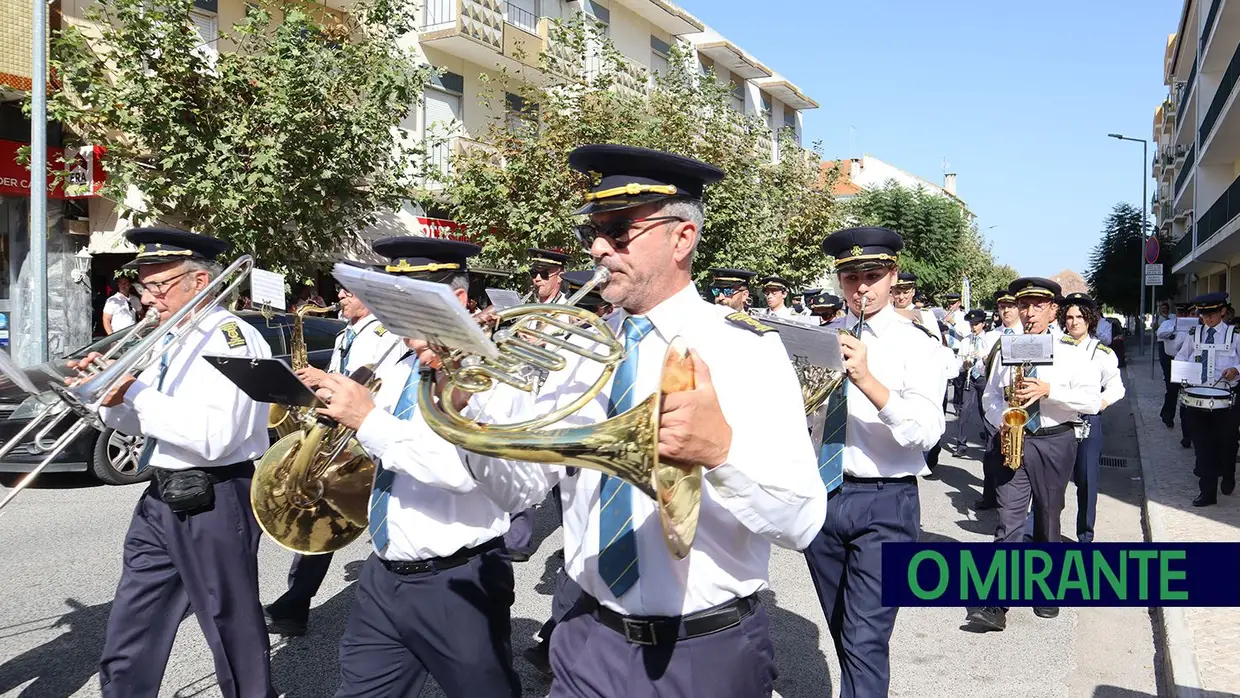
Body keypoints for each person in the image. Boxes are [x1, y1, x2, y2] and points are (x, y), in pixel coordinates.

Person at [453, 144, 826, 696]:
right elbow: (518, 491)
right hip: (584, 638)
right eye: (593, 232)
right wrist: (471, 416)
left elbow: (801, 521)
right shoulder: (580, 348)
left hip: (701, 653)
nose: (599, 248)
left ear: (682, 238)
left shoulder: (745, 349)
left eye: (620, 230)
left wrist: (721, 455)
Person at [307, 236, 523, 697]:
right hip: (385, 573)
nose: (394, 317)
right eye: (389, 301)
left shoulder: (492, 373)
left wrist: (366, 419)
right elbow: (379, 448)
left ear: (457, 301)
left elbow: (460, 471)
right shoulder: (402, 362)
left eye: (409, 303)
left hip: (458, 581)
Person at [77, 227, 276, 697]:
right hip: (161, 492)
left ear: (200, 282)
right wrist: (104, 396)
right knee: (134, 616)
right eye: (144, 284)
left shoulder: (231, 339)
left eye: (156, 285)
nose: (148, 297)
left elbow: (214, 438)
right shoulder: (170, 337)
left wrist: (138, 393)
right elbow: (144, 420)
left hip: (216, 495)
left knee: (229, 624)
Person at [806, 226, 945, 697]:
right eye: (849, 277)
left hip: (887, 502)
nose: (861, 286)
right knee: (843, 629)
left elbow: (926, 432)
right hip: (823, 495)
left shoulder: (918, 344)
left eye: (873, 274)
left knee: (866, 638)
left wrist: (867, 378)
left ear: (893, 276)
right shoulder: (816, 339)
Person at [264, 272, 405, 637]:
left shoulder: (383, 336)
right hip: (334, 431)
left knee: (361, 514)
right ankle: (296, 602)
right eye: (339, 288)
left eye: (348, 290)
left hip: (363, 438)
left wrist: (328, 384)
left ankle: (304, 601)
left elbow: (373, 386)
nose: (340, 295)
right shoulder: (346, 332)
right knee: (322, 513)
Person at [967, 278, 1100, 631]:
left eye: (1038, 305)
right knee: (1009, 520)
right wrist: (1004, 421)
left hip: (1056, 440)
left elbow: (1090, 401)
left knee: (1047, 518)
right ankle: (996, 601)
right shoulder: (1008, 346)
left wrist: (1049, 391)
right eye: (1024, 305)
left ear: (1054, 309)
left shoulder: (1073, 350)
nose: (1029, 312)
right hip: (1016, 437)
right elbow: (991, 397)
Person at [1017, 293, 1123, 544]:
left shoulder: (1101, 352)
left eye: (1080, 317)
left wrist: (1102, 403)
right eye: (1070, 317)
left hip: (1086, 422)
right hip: (1058, 425)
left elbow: (1116, 387)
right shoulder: (1053, 346)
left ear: (1090, 321)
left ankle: (1084, 535)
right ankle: (1035, 530)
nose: (1074, 322)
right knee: (1048, 485)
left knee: (1086, 481)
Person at [504, 247, 573, 563]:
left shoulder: (572, 312)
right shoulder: (527, 309)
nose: (536, 279)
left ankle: (574, 538)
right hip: (525, 396)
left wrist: (543, 342)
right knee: (523, 464)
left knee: (563, 481)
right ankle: (517, 540)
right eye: (533, 273)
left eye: (543, 274)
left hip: (556, 400)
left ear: (558, 275)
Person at [1174, 292, 1240, 507]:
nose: (1207, 318)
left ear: (1222, 311)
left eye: (1212, 313)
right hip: (1197, 398)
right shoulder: (1195, 334)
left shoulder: (1235, 335)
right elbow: (1182, 357)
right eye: (1203, 314)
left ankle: (1228, 473)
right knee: (1203, 445)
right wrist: (1184, 371)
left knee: (1227, 443)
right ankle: (1207, 492)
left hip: (1227, 399)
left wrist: (1235, 369)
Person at [975, 288, 1025, 509]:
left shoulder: (1028, 335)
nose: (1006, 311)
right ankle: (991, 496)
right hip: (997, 401)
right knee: (993, 451)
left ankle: (1015, 501)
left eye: (1011, 306)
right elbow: (981, 368)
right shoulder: (992, 336)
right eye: (1002, 307)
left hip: (1020, 404)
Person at [1157, 302, 1197, 447]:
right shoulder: (1169, 323)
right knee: (1172, 390)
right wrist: (1175, 328)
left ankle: (1187, 434)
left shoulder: (1195, 326)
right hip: (1171, 360)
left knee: (1187, 396)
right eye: (1180, 313)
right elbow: (1160, 334)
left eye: (1185, 314)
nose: (1183, 316)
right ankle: (1167, 416)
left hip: (1189, 364)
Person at [950, 309, 989, 455]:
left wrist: (982, 357)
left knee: (985, 410)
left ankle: (989, 441)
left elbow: (992, 361)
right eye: (971, 324)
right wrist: (964, 365)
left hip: (984, 377)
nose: (973, 327)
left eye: (976, 324)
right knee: (964, 410)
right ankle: (961, 445)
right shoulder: (966, 340)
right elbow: (960, 362)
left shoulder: (989, 339)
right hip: (970, 378)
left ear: (983, 324)